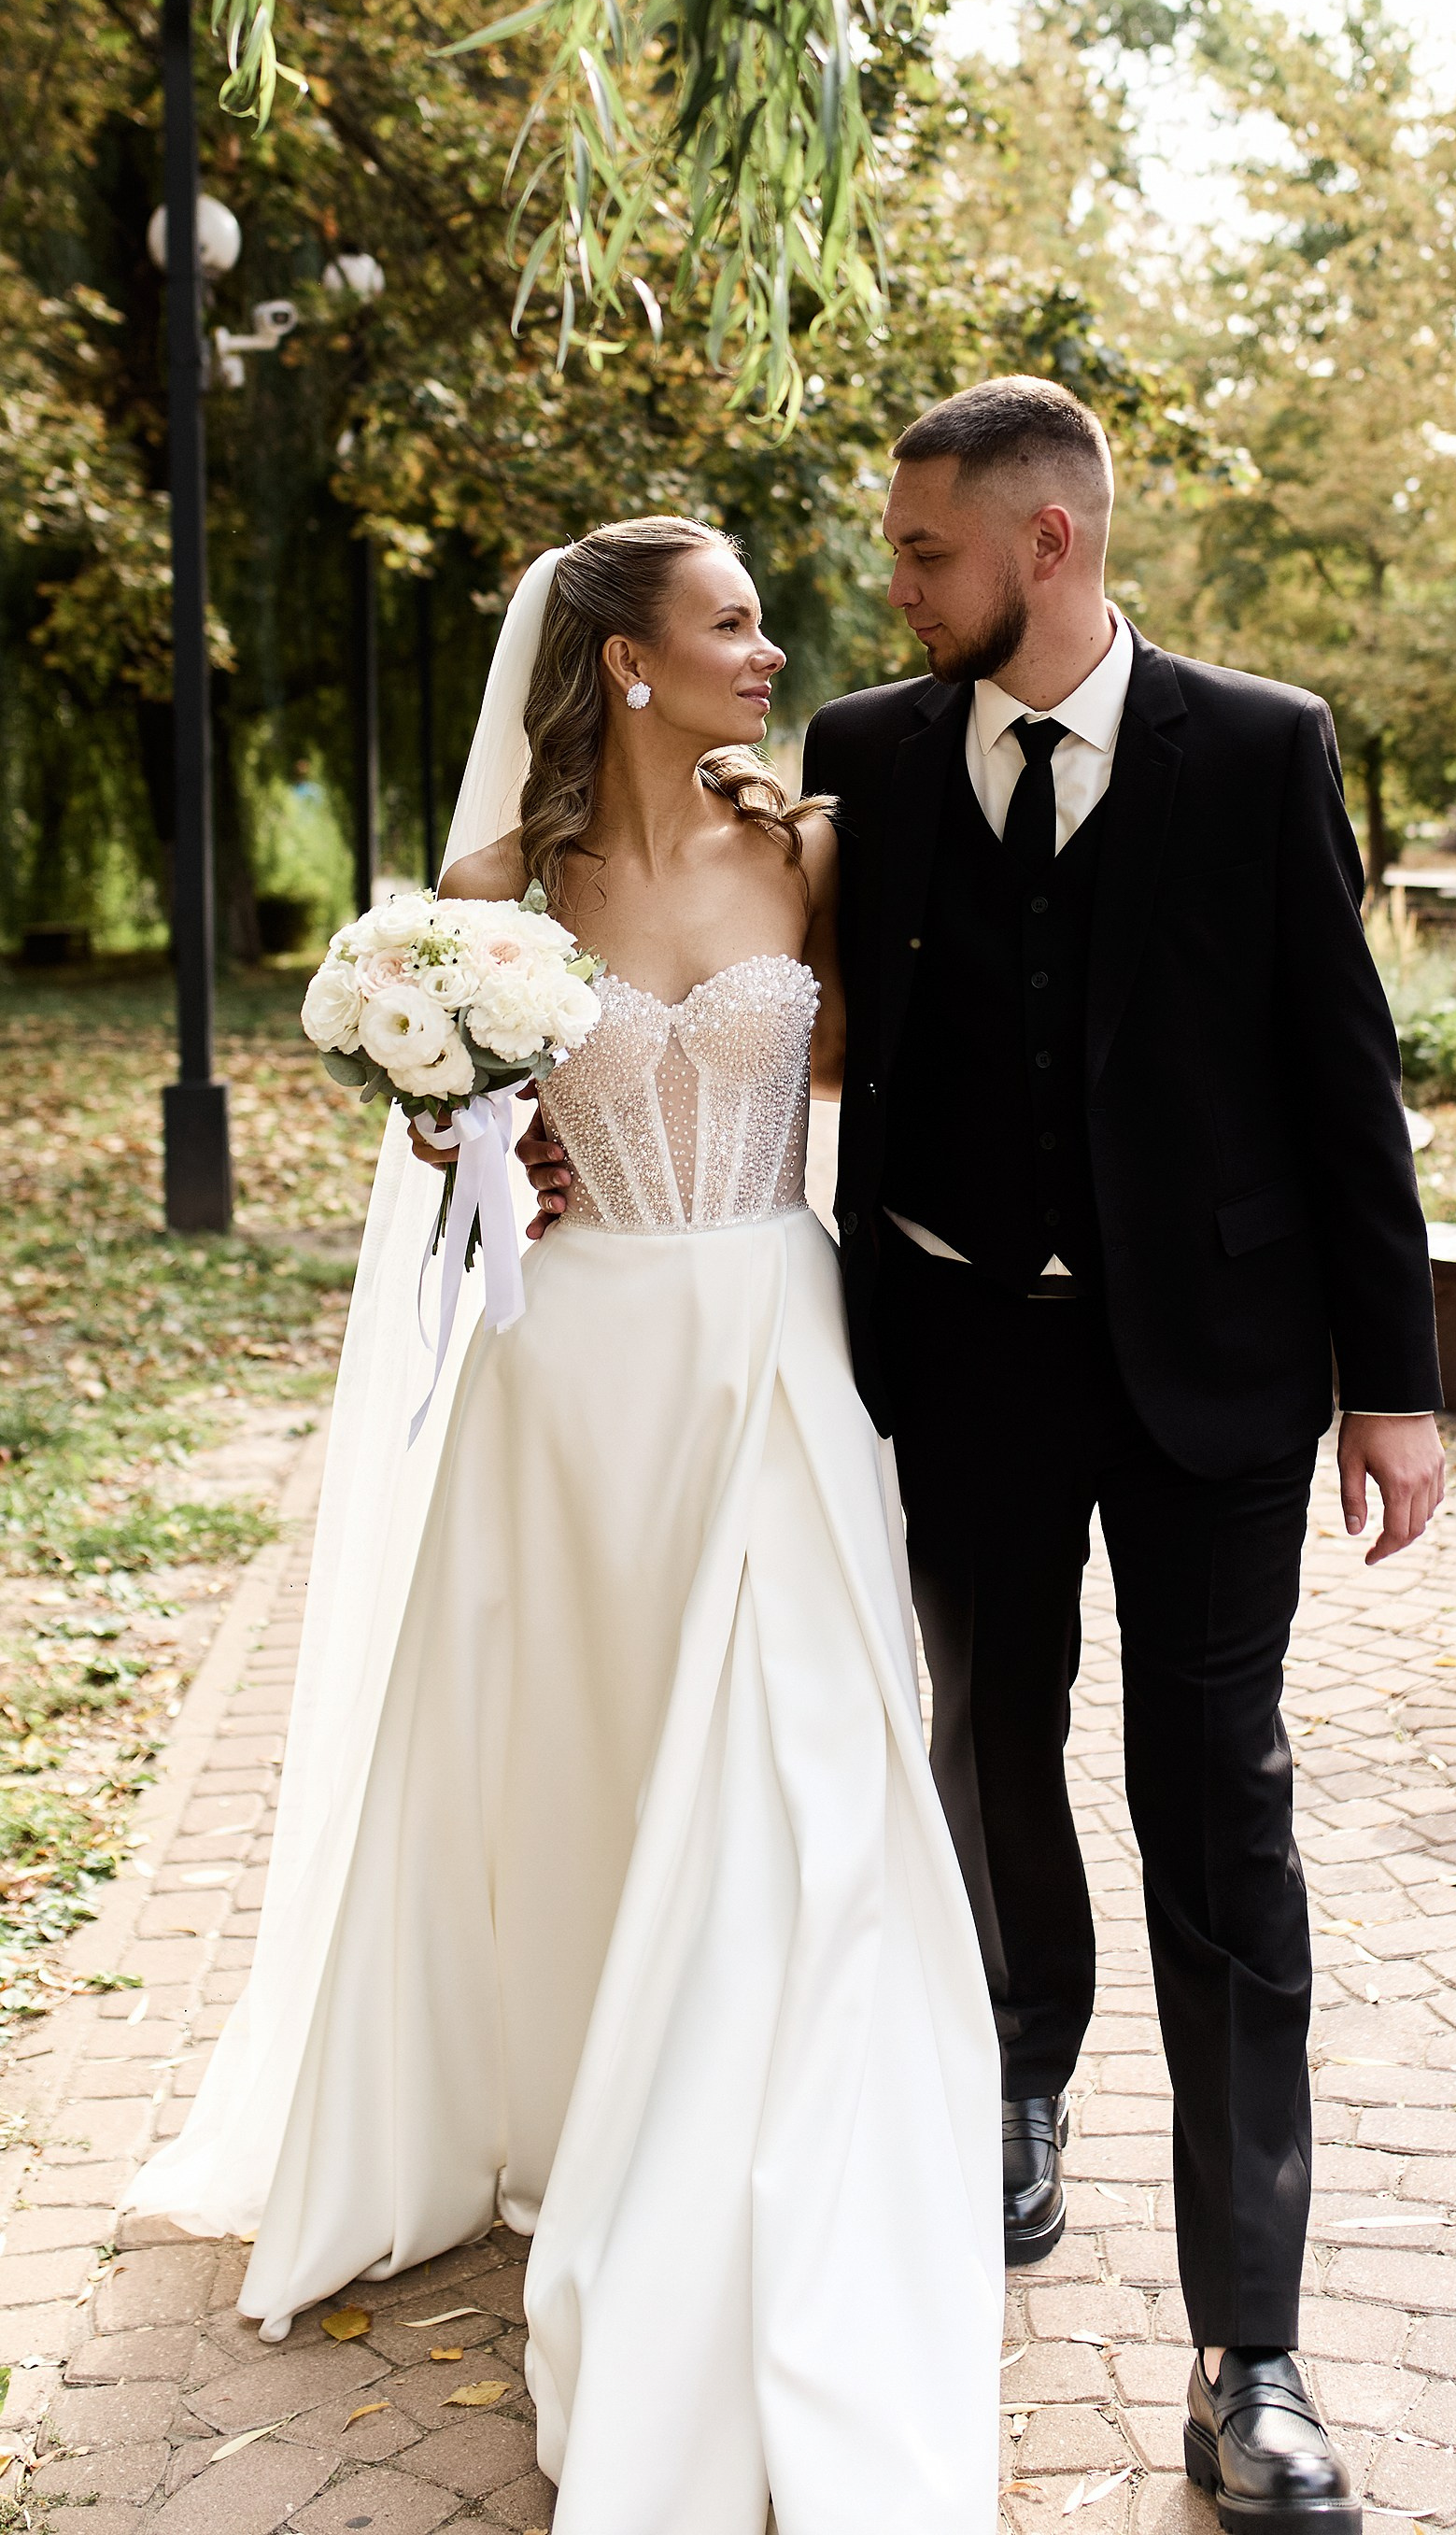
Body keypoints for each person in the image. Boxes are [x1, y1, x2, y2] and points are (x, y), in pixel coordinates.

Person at [520, 380, 1446, 2535]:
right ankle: (1021, 2074)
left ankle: (1250, 2353)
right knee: (985, 1746)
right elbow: (729, 996)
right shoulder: (858, 758)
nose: (893, 589)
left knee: (1219, 1814)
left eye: (924, 553)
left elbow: (1345, 1078)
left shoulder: (1264, 748)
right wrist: (526, 1130)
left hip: (1217, 1378)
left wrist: (1393, 1387)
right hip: (954, 1362)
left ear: (1047, 544)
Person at [122, 519, 1003, 2535]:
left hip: (769, 1346)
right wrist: (470, 1136)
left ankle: (760, 2116)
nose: (768, 651)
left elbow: (857, 1067)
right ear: (623, 660)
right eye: (731, 623)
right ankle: (563, 2076)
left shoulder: (811, 850)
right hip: (577, 1377)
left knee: (795, 1753)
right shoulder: (497, 896)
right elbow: (447, 1126)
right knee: (579, 1744)